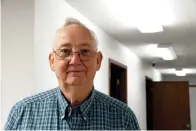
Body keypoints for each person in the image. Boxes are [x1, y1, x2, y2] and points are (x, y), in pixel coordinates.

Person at [4, 18, 140, 130]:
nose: (75, 61)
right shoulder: (22, 114)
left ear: (98, 61)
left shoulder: (123, 118)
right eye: (65, 51)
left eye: (85, 51)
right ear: (52, 61)